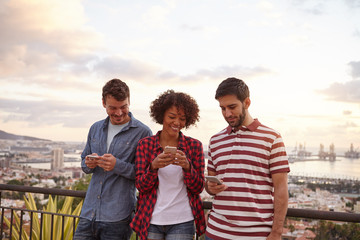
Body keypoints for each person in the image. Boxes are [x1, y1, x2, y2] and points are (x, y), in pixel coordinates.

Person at [205, 77, 290, 240]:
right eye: (222, 108)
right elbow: (210, 185)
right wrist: (210, 187)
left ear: (247, 102)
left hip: (256, 235)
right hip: (215, 233)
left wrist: (277, 232)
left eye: (232, 107)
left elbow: (281, 189)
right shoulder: (215, 140)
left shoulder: (272, 137)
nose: (227, 113)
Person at [74, 79, 152, 240]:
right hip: (89, 213)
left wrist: (117, 165)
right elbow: (84, 163)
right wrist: (88, 164)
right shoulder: (95, 128)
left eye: (123, 107)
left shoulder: (143, 132)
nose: (118, 113)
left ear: (129, 102)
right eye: (113, 108)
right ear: (103, 103)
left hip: (118, 218)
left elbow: (145, 175)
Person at [130, 90, 206, 240]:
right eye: (172, 116)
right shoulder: (145, 145)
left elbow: (198, 187)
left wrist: (187, 167)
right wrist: (153, 167)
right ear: (161, 115)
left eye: (182, 119)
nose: (177, 122)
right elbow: (141, 186)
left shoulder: (194, 146)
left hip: (183, 220)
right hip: (151, 219)